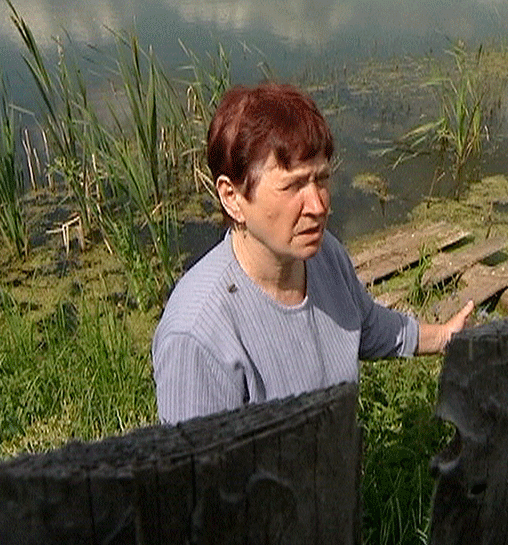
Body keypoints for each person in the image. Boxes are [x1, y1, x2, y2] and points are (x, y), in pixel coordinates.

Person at [152, 82, 474, 424]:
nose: (318, 206)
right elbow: (197, 459)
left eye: (321, 179)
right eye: (293, 185)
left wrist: (443, 336)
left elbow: (363, 324)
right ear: (232, 197)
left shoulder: (324, 256)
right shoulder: (198, 337)